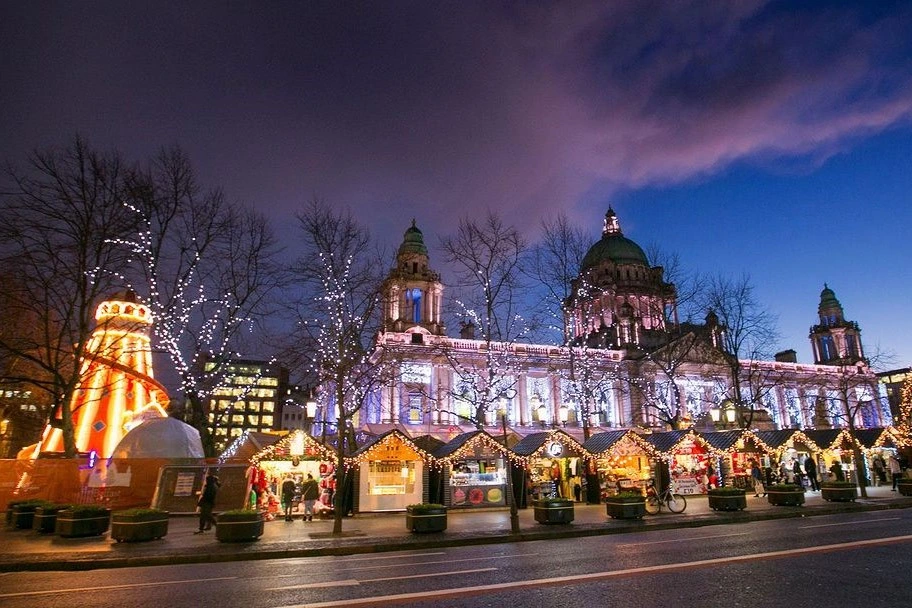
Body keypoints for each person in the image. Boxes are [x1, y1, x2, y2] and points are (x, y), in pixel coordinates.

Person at [195, 469, 220, 534]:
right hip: (208, 503)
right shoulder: (213, 486)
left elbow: (208, 495)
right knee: (206, 515)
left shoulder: (210, 487)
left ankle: (216, 525)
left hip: (207, 503)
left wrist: (202, 499)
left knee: (206, 515)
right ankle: (205, 527)